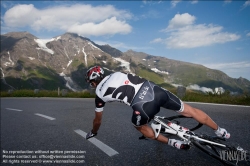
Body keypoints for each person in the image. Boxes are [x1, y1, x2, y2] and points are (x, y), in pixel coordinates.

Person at [85, 66, 230, 149]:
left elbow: (97, 121)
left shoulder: (99, 93)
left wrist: (94, 131)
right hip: (154, 89)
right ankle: (220, 131)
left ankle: (173, 143)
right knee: (190, 111)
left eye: (91, 83)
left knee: (139, 126)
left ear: (93, 82)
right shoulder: (116, 72)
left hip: (142, 105)